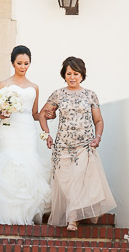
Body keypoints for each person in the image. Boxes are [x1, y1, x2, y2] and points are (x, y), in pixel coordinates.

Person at [0, 45, 51, 224]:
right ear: (13, 63)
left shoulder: (34, 87)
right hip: (9, 127)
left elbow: (35, 114)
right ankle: (5, 208)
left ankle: (26, 209)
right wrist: (1, 114)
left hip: (27, 129)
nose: (23, 66)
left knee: (28, 161)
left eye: (26, 63)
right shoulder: (4, 85)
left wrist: (48, 113)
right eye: (19, 63)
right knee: (10, 161)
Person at [38, 56, 116, 231]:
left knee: (80, 180)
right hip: (63, 146)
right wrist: (47, 134)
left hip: (84, 145)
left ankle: (73, 218)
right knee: (66, 181)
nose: (72, 77)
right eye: (69, 73)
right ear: (64, 75)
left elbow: (99, 120)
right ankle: (80, 212)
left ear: (82, 75)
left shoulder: (90, 95)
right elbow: (42, 114)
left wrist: (98, 138)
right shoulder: (58, 94)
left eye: (76, 73)